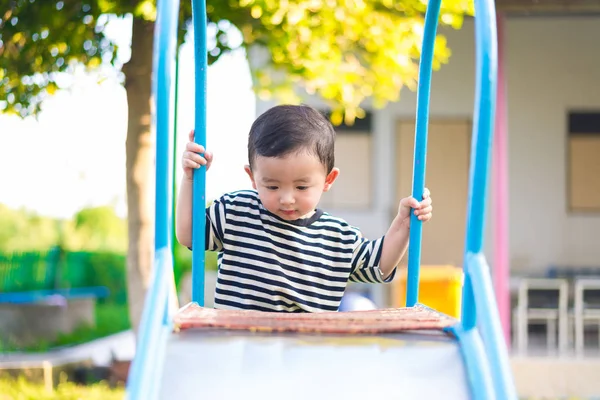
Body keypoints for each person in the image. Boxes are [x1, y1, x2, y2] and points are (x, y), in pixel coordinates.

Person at [176, 104, 432, 313]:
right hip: (241, 342)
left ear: (328, 180)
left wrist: (403, 225)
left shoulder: (337, 236)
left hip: (306, 348)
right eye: (273, 187)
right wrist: (190, 179)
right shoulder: (236, 211)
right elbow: (189, 234)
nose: (287, 199)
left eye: (301, 187)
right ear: (253, 177)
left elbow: (380, 266)